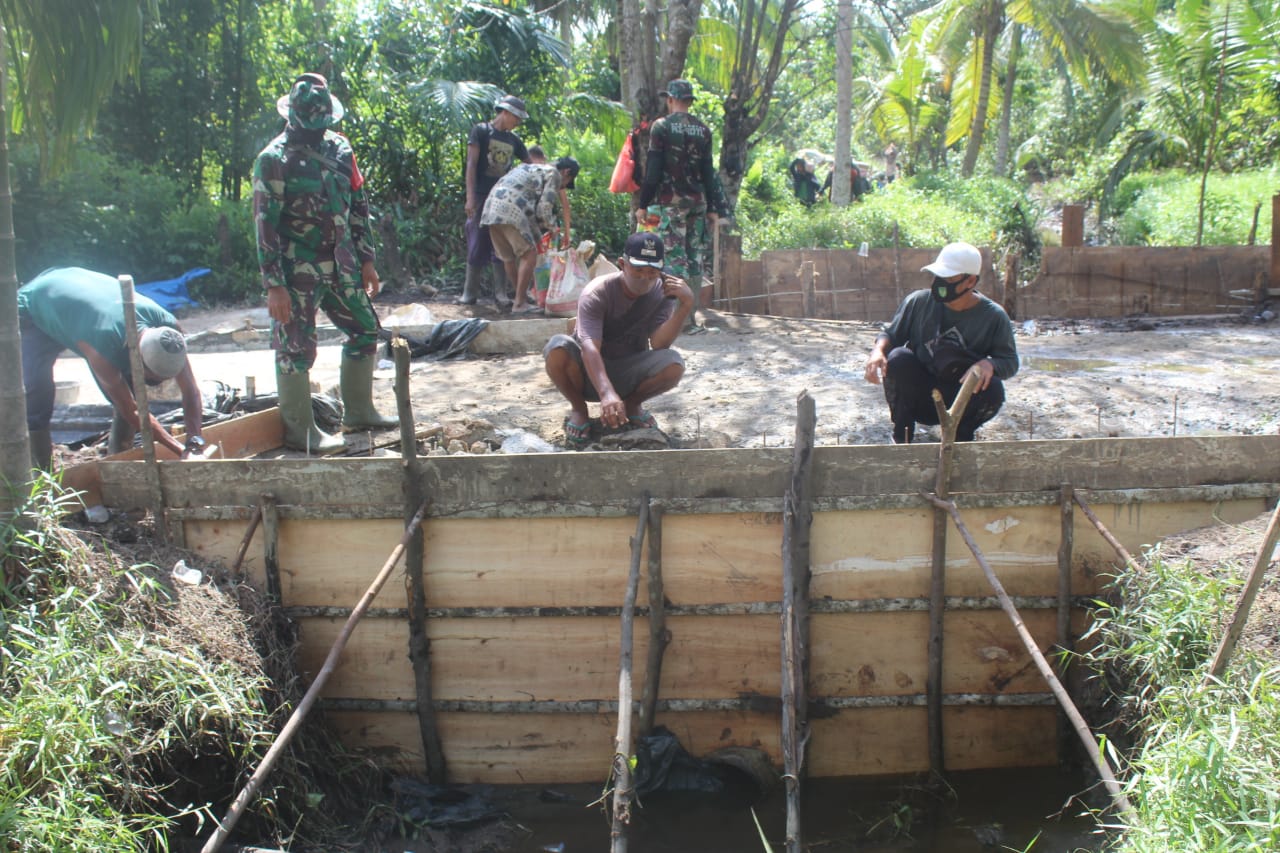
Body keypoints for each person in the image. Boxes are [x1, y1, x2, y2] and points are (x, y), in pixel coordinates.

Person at [253, 72, 396, 455]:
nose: (318, 134)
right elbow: (264, 224)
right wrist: (274, 285)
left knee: (366, 331)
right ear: (293, 118)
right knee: (295, 349)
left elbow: (358, 206)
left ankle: (360, 410)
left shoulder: (340, 149)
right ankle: (301, 431)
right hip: (296, 270)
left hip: (343, 265)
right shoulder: (273, 159)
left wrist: (367, 259)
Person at [18, 266, 207, 469]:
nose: (158, 383)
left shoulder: (169, 335)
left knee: (129, 392)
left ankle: (119, 466)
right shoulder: (102, 350)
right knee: (36, 397)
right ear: (138, 359)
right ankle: (41, 480)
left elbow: (191, 391)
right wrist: (180, 451)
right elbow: (133, 411)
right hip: (35, 307)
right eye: (153, 378)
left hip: (75, 298)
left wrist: (194, 445)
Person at [543, 232, 694, 448]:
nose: (645, 278)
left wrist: (686, 305)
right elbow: (589, 348)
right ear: (622, 264)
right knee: (557, 347)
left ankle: (631, 406)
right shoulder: (597, 292)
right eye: (638, 270)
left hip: (627, 370)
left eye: (652, 272)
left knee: (673, 364)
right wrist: (606, 392)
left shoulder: (662, 292)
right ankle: (579, 409)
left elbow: (660, 344)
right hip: (588, 370)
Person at [863, 242, 1018, 444]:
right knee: (898, 358)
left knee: (994, 388)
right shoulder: (918, 302)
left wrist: (990, 364)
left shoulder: (994, 316)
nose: (940, 283)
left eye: (949, 278)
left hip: (961, 396)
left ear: (970, 281)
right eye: (939, 276)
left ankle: (960, 436)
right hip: (921, 393)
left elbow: (1010, 362)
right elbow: (891, 335)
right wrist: (878, 351)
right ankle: (903, 434)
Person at [636, 79, 731, 332]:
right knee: (694, 258)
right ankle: (691, 318)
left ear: (670, 99)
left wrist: (643, 203)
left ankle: (678, 321)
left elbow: (653, 169)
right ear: (689, 101)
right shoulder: (704, 129)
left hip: (672, 204)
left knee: (674, 260)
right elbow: (709, 173)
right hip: (698, 204)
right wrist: (714, 207)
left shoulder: (662, 127)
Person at [480, 149, 578, 313]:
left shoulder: (531, 168)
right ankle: (519, 303)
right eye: (567, 182)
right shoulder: (553, 174)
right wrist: (554, 229)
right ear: (566, 172)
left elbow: (531, 210)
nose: (564, 186)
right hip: (511, 211)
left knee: (508, 258)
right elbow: (543, 211)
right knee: (529, 255)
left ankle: (522, 297)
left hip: (491, 209)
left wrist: (540, 235)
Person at [461, 94, 531, 305]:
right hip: (482, 194)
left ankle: (500, 293)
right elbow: (471, 165)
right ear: (505, 112)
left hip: (502, 200)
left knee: (500, 244)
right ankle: (469, 292)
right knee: (477, 240)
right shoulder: (481, 131)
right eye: (516, 118)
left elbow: (528, 163)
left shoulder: (514, 140)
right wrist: (470, 197)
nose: (517, 123)